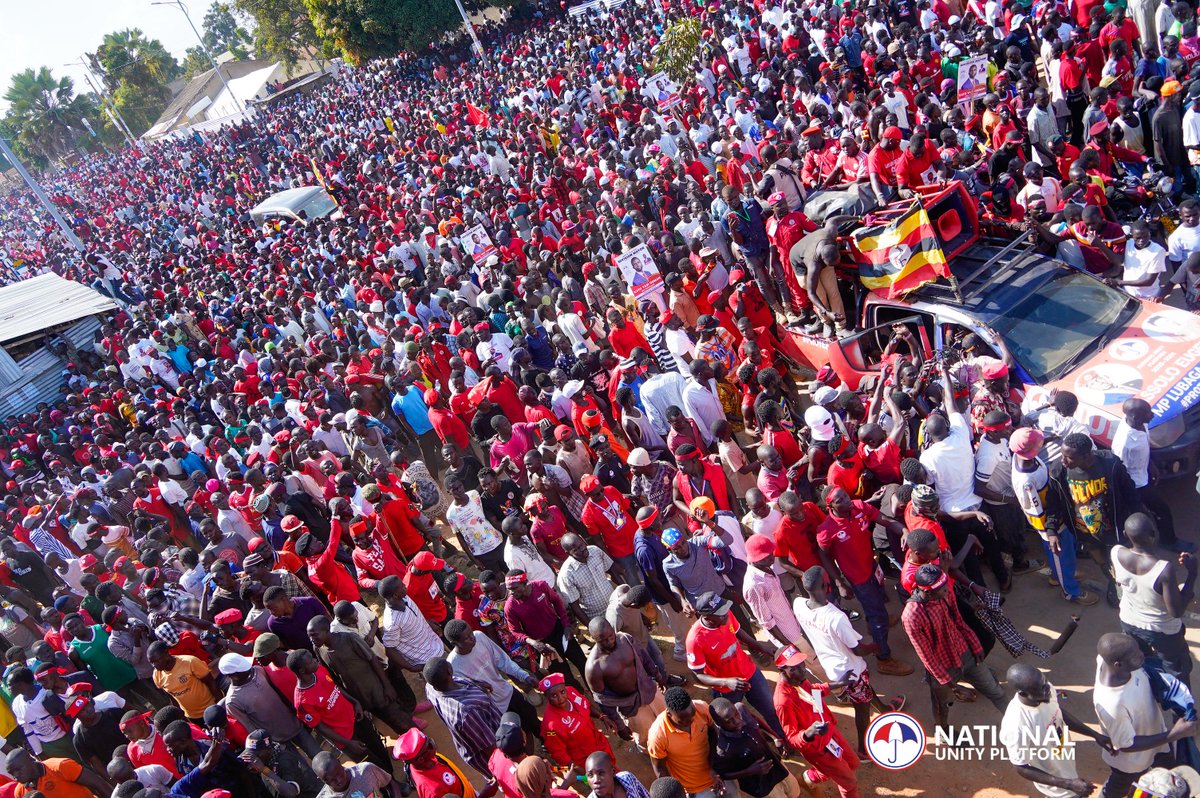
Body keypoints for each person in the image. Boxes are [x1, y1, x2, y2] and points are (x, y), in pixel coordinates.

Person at [794, 566, 904, 758]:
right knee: (861, 708)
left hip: (832, 666)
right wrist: (875, 647)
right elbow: (858, 648)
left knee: (864, 692)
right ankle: (863, 750)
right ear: (826, 586)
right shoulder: (836, 618)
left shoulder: (798, 604)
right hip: (850, 671)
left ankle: (884, 710)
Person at [901, 565, 1007, 731]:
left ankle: (1022, 726)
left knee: (996, 692)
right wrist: (952, 686)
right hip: (943, 668)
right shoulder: (912, 616)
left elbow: (958, 621)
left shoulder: (945, 593)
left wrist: (975, 644)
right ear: (928, 593)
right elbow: (926, 656)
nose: (947, 591)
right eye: (942, 589)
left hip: (965, 653)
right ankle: (943, 731)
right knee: (942, 704)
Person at [1093, 632, 1197, 798]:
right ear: (1118, 665)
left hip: (1157, 741)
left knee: (1170, 775)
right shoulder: (1112, 704)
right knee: (1118, 787)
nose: (1142, 655)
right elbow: (1127, 745)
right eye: (1135, 656)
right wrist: (1174, 734)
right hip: (1133, 762)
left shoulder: (1107, 661)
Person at [1009, 427, 1099, 605]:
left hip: (1056, 514)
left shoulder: (1021, 456)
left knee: (1067, 551)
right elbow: (1034, 510)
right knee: (1060, 555)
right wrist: (1050, 532)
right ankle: (1070, 591)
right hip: (1051, 523)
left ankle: (1062, 575)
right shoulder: (1026, 481)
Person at [1111, 513, 1196, 691]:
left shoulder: (1116, 552)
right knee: (1176, 670)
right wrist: (1192, 574)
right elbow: (1176, 611)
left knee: (1140, 663)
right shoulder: (1163, 569)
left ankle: (1150, 693)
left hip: (1129, 622)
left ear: (1126, 535)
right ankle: (1183, 714)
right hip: (1162, 630)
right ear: (1153, 533)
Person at [685, 590, 785, 738]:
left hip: (750, 673)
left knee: (771, 710)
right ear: (706, 617)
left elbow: (739, 632)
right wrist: (726, 682)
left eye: (724, 609)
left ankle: (784, 739)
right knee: (733, 725)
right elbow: (697, 675)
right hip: (726, 689)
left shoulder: (726, 615)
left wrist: (760, 647)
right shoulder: (695, 640)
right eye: (720, 612)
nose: (726, 613)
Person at [1002, 663, 1107, 798]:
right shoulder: (1016, 725)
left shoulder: (1045, 689)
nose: (1048, 688)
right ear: (1023, 693)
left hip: (1064, 762)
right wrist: (1069, 784)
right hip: (1053, 779)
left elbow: (1058, 712)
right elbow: (1021, 767)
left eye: (1045, 681)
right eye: (1041, 688)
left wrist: (1094, 734)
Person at [773, 645, 860, 798]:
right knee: (849, 782)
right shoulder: (783, 701)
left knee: (852, 762)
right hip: (819, 749)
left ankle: (809, 778)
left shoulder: (798, 680)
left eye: (801, 664)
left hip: (830, 732)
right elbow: (792, 738)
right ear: (782, 670)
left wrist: (840, 683)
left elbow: (814, 691)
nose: (802, 670)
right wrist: (808, 733)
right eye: (794, 668)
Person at [288, 647, 393, 769]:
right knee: (372, 765)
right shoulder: (302, 702)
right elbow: (321, 728)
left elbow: (335, 687)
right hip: (347, 738)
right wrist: (348, 743)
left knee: (379, 748)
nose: (315, 660)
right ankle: (389, 786)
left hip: (357, 719)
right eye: (310, 661)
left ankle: (394, 780)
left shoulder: (319, 670)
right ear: (301, 670)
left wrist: (355, 702)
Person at [444, 618, 540, 740]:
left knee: (535, 722)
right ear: (454, 643)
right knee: (521, 737)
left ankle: (549, 747)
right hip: (496, 709)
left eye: (471, 633)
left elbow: (503, 661)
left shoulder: (479, 637)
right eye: (467, 638)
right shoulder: (453, 665)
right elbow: (466, 696)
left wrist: (524, 676)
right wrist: (477, 688)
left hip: (508, 692)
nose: (472, 638)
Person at [585, 617, 665, 748]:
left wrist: (658, 676)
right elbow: (603, 701)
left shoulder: (625, 639)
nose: (609, 641)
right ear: (594, 639)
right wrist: (620, 726)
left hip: (650, 690)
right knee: (648, 739)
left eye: (611, 636)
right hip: (631, 707)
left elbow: (645, 658)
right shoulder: (594, 667)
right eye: (603, 640)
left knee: (668, 718)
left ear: (612, 629)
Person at [423, 656, 503, 778]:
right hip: (490, 751)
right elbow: (490, 747)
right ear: (449, 672)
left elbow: (454, 682)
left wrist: (476, 686)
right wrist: (509, 761)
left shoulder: (431, 688)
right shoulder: (466, 712)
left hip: (473, 740)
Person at [710, 696, 800, 798]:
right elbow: (723, 774)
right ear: (719, 724)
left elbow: (757, 722)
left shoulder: (741, 709)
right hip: (762, 785)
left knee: (794, 792)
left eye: (736, 714)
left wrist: (774, 737)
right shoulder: (723, 748)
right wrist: (749, 771)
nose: (737, 721)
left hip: (777, 766)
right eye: (729, 721)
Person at [647, 687, 722, 798]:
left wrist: (713, 766)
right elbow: (660, 769)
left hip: (719, 774)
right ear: (669, 714)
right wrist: (677, 793)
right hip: (694, 789)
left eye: (693, 714)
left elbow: (713, 734)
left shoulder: (702, 708)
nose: (691, 721)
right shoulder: (657, 735)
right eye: (684, 720)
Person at [539, 671, 617, 770]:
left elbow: (587, 705)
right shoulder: (550, 726)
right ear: (547, 697)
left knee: (612, 767)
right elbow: (558, 753)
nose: (561, 698)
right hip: (585, 760)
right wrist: (577, 769)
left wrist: (602, 716)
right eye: (554, 696)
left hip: (599, 742)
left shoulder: (571, 691)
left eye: (562, 692)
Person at [238, 727, 325, 798]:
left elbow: (291, 793)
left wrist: (264, 770)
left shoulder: (285, 760)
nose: (252, 758)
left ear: (267, 750)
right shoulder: (264, 761)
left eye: (255, 754)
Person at [392, 727, 476, 798]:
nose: (432, 742)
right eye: (429, 744)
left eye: (429, 739)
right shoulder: (434, 791)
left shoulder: (427, 758)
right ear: (421, 759)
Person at [148, 641, 219, 723]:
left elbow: (212, 683)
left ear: (166, 653)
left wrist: (220, 705)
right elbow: (172, 697)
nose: (154, 665)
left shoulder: (190, 662)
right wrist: (182, 717)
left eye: (156, 661)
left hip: (212, 709)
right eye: (151, 662)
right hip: (192, 717)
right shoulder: (157, 676)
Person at [4, 747, 111, 797]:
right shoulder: (20, 792)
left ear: (30, 760)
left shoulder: (60, 766)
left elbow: (97, 783)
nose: (15, 776)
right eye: (11, 773)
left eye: (18, 770)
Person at [312, 750, 402, 798]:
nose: (339, 780)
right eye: (331, 780)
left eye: (339, 773)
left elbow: (390, 782)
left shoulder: (366, 770)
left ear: (340, 762)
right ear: (321, 779)